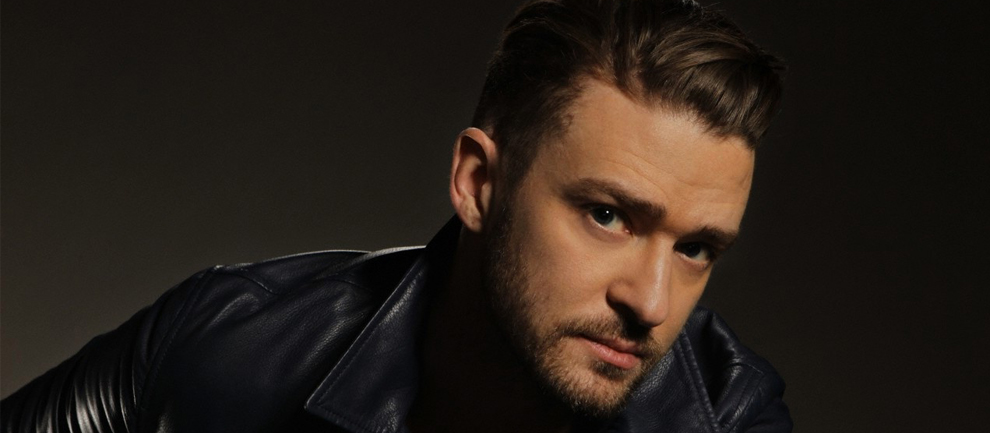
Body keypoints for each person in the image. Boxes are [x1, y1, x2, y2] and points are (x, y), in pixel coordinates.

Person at [1, 0, 789, 431]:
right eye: (609, 215)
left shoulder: (726, 418)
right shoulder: (235, 341)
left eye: (696, 247)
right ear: (479, 182)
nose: (651, 301)